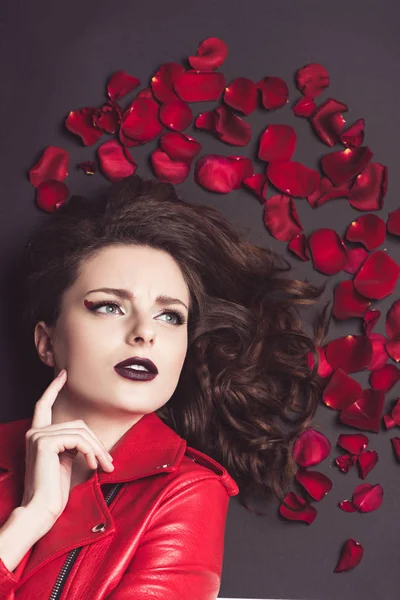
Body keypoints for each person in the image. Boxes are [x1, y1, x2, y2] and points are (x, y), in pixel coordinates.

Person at [0, 174, 330, 599]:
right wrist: (28, 521)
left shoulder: (187, 493)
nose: (144, 334)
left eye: (170, 316)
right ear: (47, 342)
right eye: (109, 306)